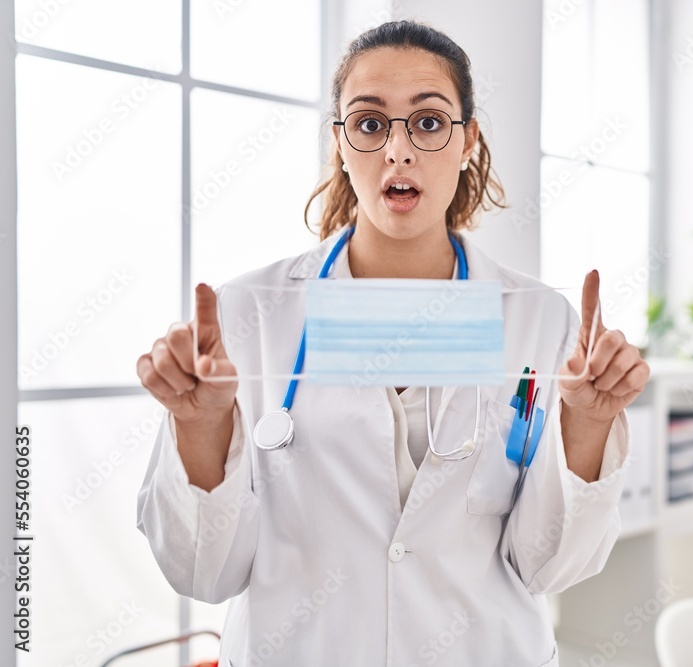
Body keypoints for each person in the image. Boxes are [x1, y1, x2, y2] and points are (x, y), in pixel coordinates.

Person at [136, 19, 649, 666]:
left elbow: (547, 566)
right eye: (371, 124)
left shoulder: (540, 322)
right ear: (341, 145)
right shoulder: (248, 316)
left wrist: (587, 426)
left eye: (429, 123)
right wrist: (204, 429)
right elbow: (205, 574)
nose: (398, 151)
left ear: (469, 142)